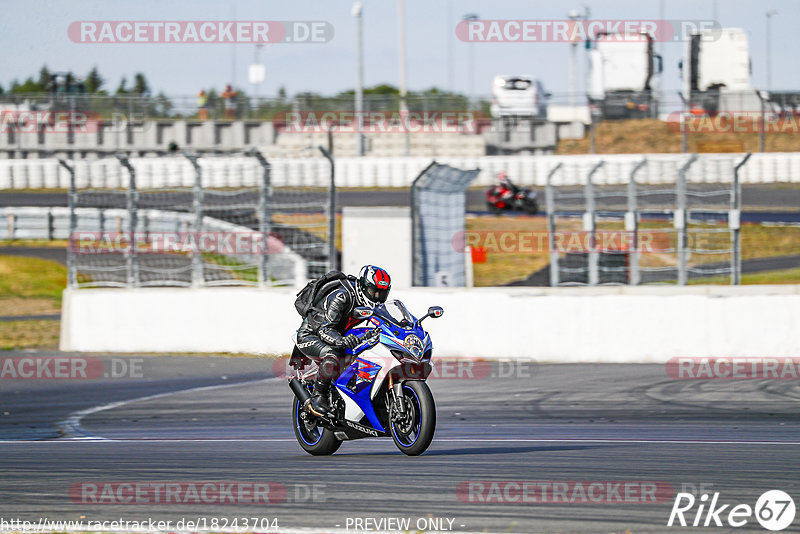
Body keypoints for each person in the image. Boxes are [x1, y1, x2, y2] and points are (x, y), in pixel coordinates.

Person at [296, 265, 391, 417]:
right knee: (332, 355)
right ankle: (318, 397)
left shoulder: (370, 302)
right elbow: (324, 330)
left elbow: (387, 321)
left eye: (382, 294)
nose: (377, 297)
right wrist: (342, 340)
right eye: (374, 292)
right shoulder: (342, 296)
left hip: (338, 333)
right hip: (311, 335)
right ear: (363, 287)